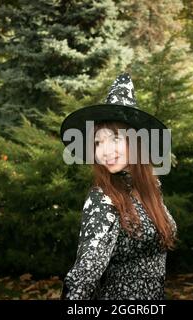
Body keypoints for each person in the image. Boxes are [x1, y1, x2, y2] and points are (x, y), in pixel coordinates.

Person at [59, 73, 177, 300]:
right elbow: (85, 273)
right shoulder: (103, 198)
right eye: (97, 142)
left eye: (114, 138)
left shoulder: (152, 188)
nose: (104, 151)